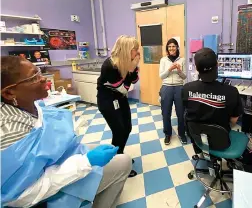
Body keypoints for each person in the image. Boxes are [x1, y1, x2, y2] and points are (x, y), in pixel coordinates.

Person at [1, 56, 131, 208]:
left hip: (57, 160)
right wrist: (86, 162)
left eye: (39, 72)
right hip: (44, 191)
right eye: (33, 77)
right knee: (123, 162)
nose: (43, 79)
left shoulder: (32, 105)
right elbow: (22, 194)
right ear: (9, 93)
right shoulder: (9, 130)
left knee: (99, 148)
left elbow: (43, 140)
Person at [182, 48, 243, 153]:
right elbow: (233, 121)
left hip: (197, 138)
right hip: (221, 141)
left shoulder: (186, 88)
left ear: (196, 68)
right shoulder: (231, 91)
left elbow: (187, 110)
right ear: (217, 65)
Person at [97, 35, 140, 177]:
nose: (138, 53)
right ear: (127, 50)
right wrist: (131, 68)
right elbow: (124, 88)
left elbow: (134, 80)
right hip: (107, 101)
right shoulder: (110, 65)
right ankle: (116, 165)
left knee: (127, 128)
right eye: (135, 49)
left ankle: (119, 156)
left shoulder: (128, 62)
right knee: (119, 131)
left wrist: (133, 68)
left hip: (120, 99)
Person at [159, 38, 187, 145]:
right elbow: (161, 76)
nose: (171, 48)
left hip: (179, 87)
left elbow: (184, 77)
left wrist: (179, 70)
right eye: (169, 46)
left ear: (177, 47)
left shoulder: (182, 60)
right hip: (166, 88)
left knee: (181, 113)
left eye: (174, 46)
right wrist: (170, 69)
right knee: (166, 113)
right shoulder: (163, 60)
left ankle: (182, 133)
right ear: (167, 48)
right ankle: (167, 134)